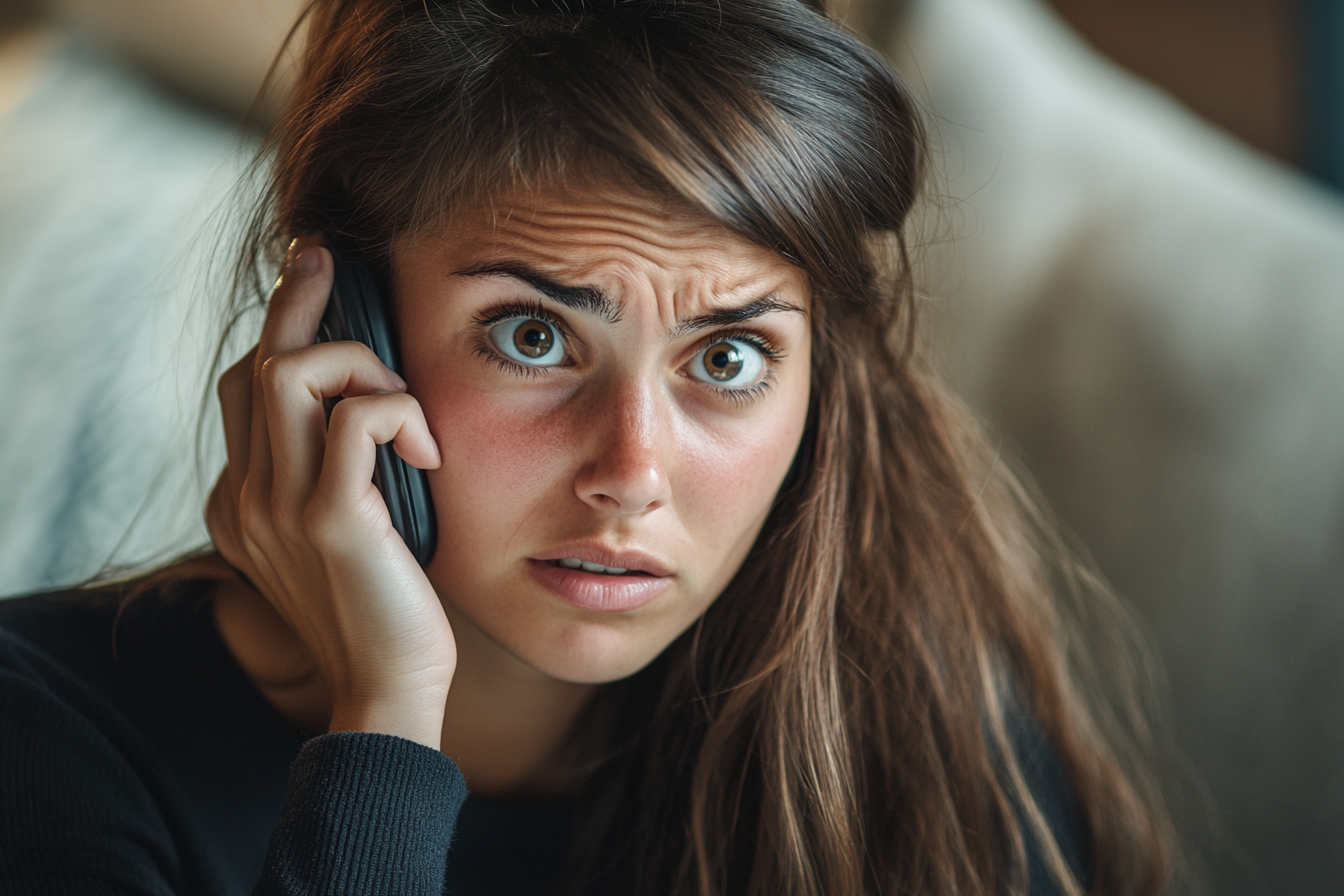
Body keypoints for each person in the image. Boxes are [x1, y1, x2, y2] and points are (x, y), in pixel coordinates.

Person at [0, 1, 1173, 894]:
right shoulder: (45, 746)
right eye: (533, 335)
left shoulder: (919, 740)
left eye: (726, 360)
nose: (633, 469)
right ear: (343, 328)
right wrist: (388, 724)